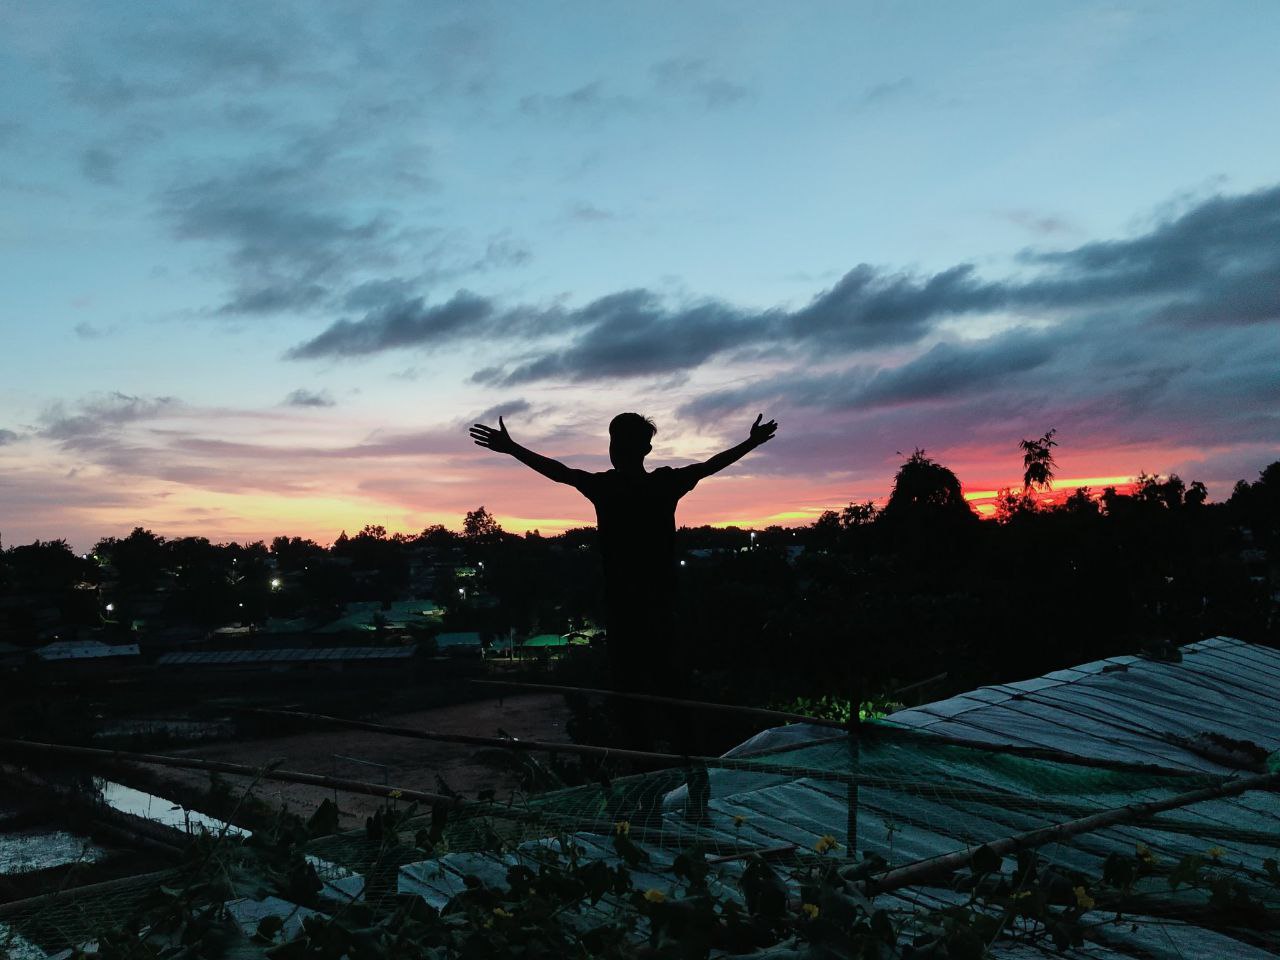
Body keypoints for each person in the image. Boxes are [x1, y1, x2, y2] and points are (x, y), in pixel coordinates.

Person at [468, 411, 777, 698]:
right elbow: (710, 466)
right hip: (660, 605)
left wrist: (513, 448)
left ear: (640, 448)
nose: (614, 449)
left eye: (618, 442)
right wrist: (751, 443)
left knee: (634, 694)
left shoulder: (607, 486)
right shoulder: (664, 483)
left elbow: (559, 472)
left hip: (627, 607)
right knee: (668, 689)